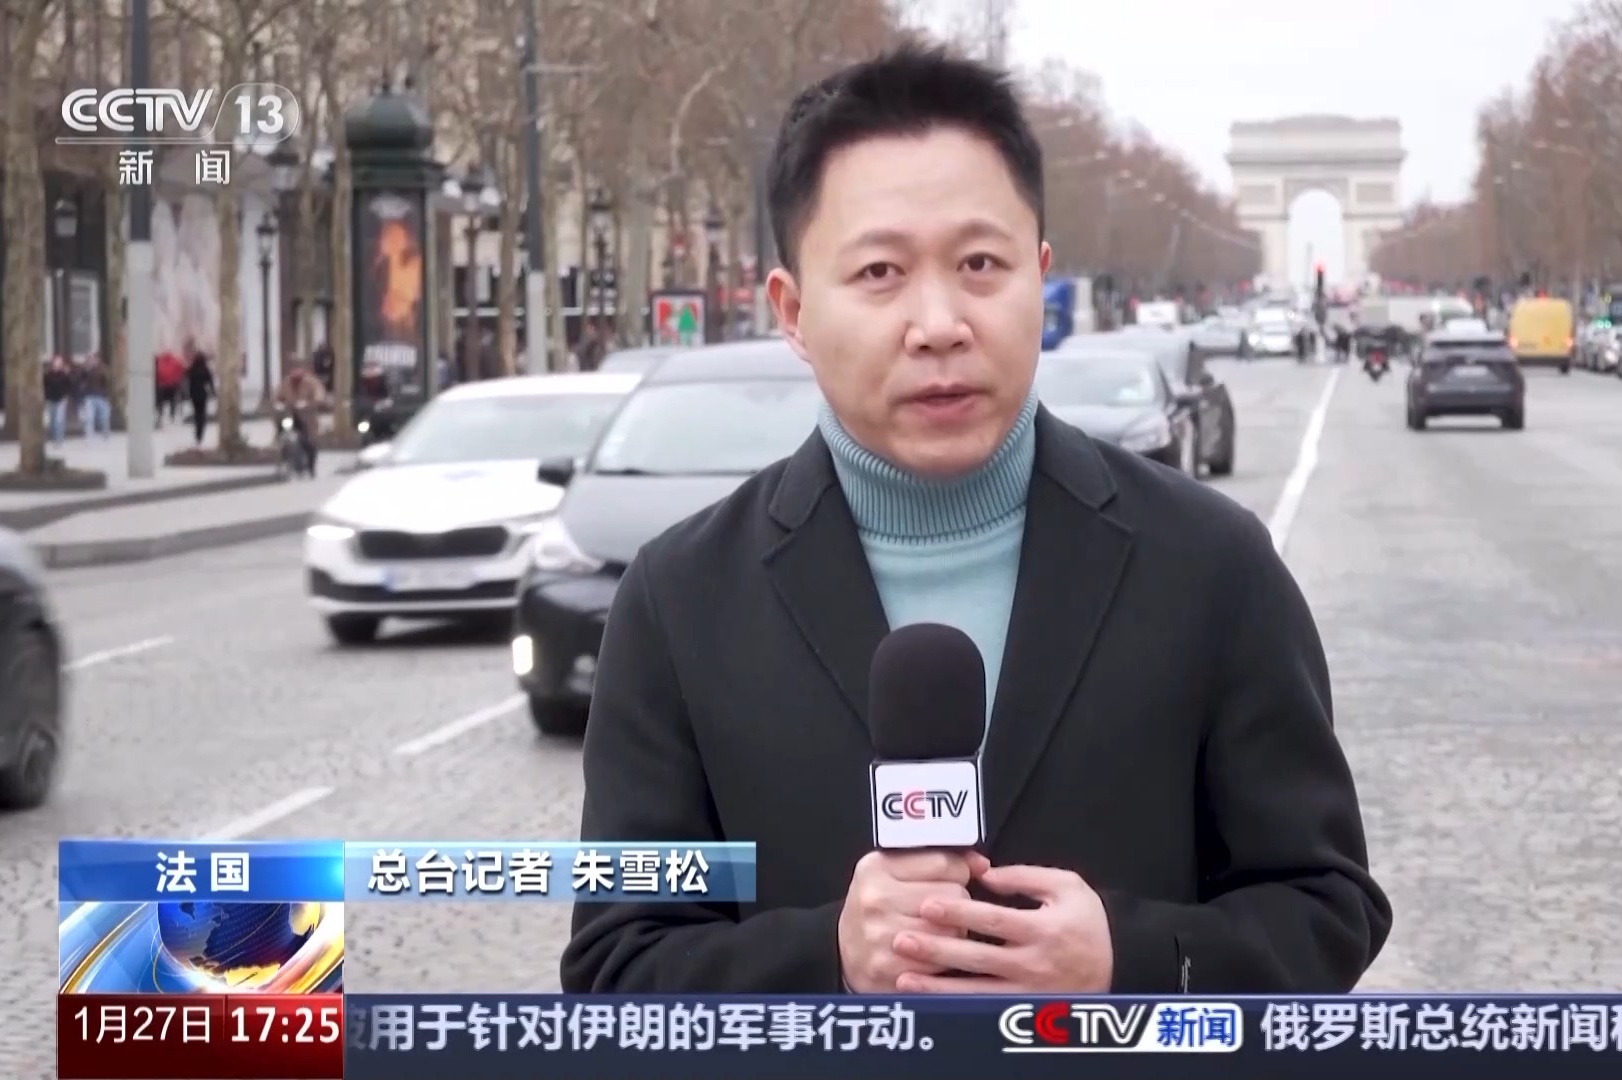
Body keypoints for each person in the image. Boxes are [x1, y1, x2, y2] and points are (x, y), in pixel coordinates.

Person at [561, 46, 1389, 995]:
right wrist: (830, 956)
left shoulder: (1213, 565)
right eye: (880, 272)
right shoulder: (679, 602)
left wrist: (1128, 960)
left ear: (1042, 279)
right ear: (792, 311)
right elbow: (617, 965)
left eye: (980, 264)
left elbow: (1325, 906)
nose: (939, 323)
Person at [274, 360, 326, 477]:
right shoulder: (286, 383)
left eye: (297, 370)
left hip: (307, 417)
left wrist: (308, 403)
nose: (295, 373)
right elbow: (277, 396)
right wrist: (278, 404)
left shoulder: (311, 383)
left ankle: (311, 467)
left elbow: (319, 396)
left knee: (310, 441)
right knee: (281, 434)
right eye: (293, 370)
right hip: (290, 415)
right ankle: (283, 460)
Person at [185, 349, 215, 445]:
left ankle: (197, 431)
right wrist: (213, 392)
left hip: (193, 394)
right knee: (202, 414)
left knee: (196, 413)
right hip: (202, 394)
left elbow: (186, 379)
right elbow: (210, 382)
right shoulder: (205, 369)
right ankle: (200, 433)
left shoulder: (191, 369)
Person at [80, 354, 112, 437]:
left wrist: (108, 395)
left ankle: (105, 432)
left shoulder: (102, 369)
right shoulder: (86, 370)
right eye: (90, 359)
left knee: (104, 417)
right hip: (89, 396)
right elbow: (81, 381)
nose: (92, 361)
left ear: (98, 360)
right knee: (89, 417)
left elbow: (107, 381)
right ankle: (89, 434)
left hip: (101, 396)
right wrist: (86, 370)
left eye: (94, 359)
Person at [42, 357, 73, 443]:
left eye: (59, 364)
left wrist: (66, 397)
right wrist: (45, 396)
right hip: (50, 400)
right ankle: (53, 436)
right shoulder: (48, 375)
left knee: (59, 420)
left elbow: (69, 386)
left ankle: (59, 439)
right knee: (52, 421)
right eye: (55, 364)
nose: (57, 366)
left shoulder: (64, 375)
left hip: (61, 400)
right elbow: (44, 385)